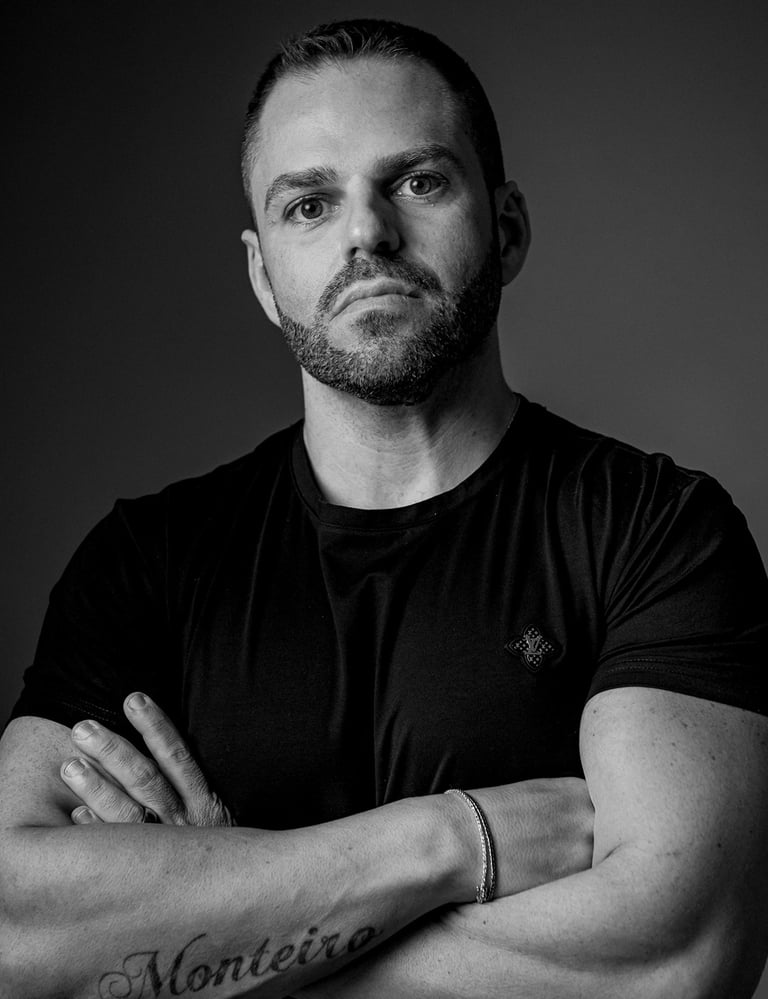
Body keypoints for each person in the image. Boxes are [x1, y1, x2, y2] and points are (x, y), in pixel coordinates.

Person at [2, 17, 767, 999]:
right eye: (310, 204)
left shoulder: (657, 532)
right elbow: (15, 937)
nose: (366, 231)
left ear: (508, 228)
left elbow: (677, 958)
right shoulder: (144, 562)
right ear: (262, 275)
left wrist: (211, 944)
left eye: (418, 182)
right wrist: (451, 840)